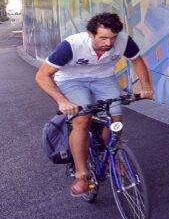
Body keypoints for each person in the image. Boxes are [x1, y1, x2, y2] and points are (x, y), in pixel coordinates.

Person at [35, 12, 153, 196]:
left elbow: (137, 61)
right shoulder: (72, 45)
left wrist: (146, 87)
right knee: (82, 120)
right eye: (103, 38)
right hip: (71, 80)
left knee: (115, 121)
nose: (109, 43)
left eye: (112, 37)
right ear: (90, 34)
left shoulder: (123, 41)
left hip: (103, 78)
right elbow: (42, 75)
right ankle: (81, 174)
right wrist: (62, 101)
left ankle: (114, 156)